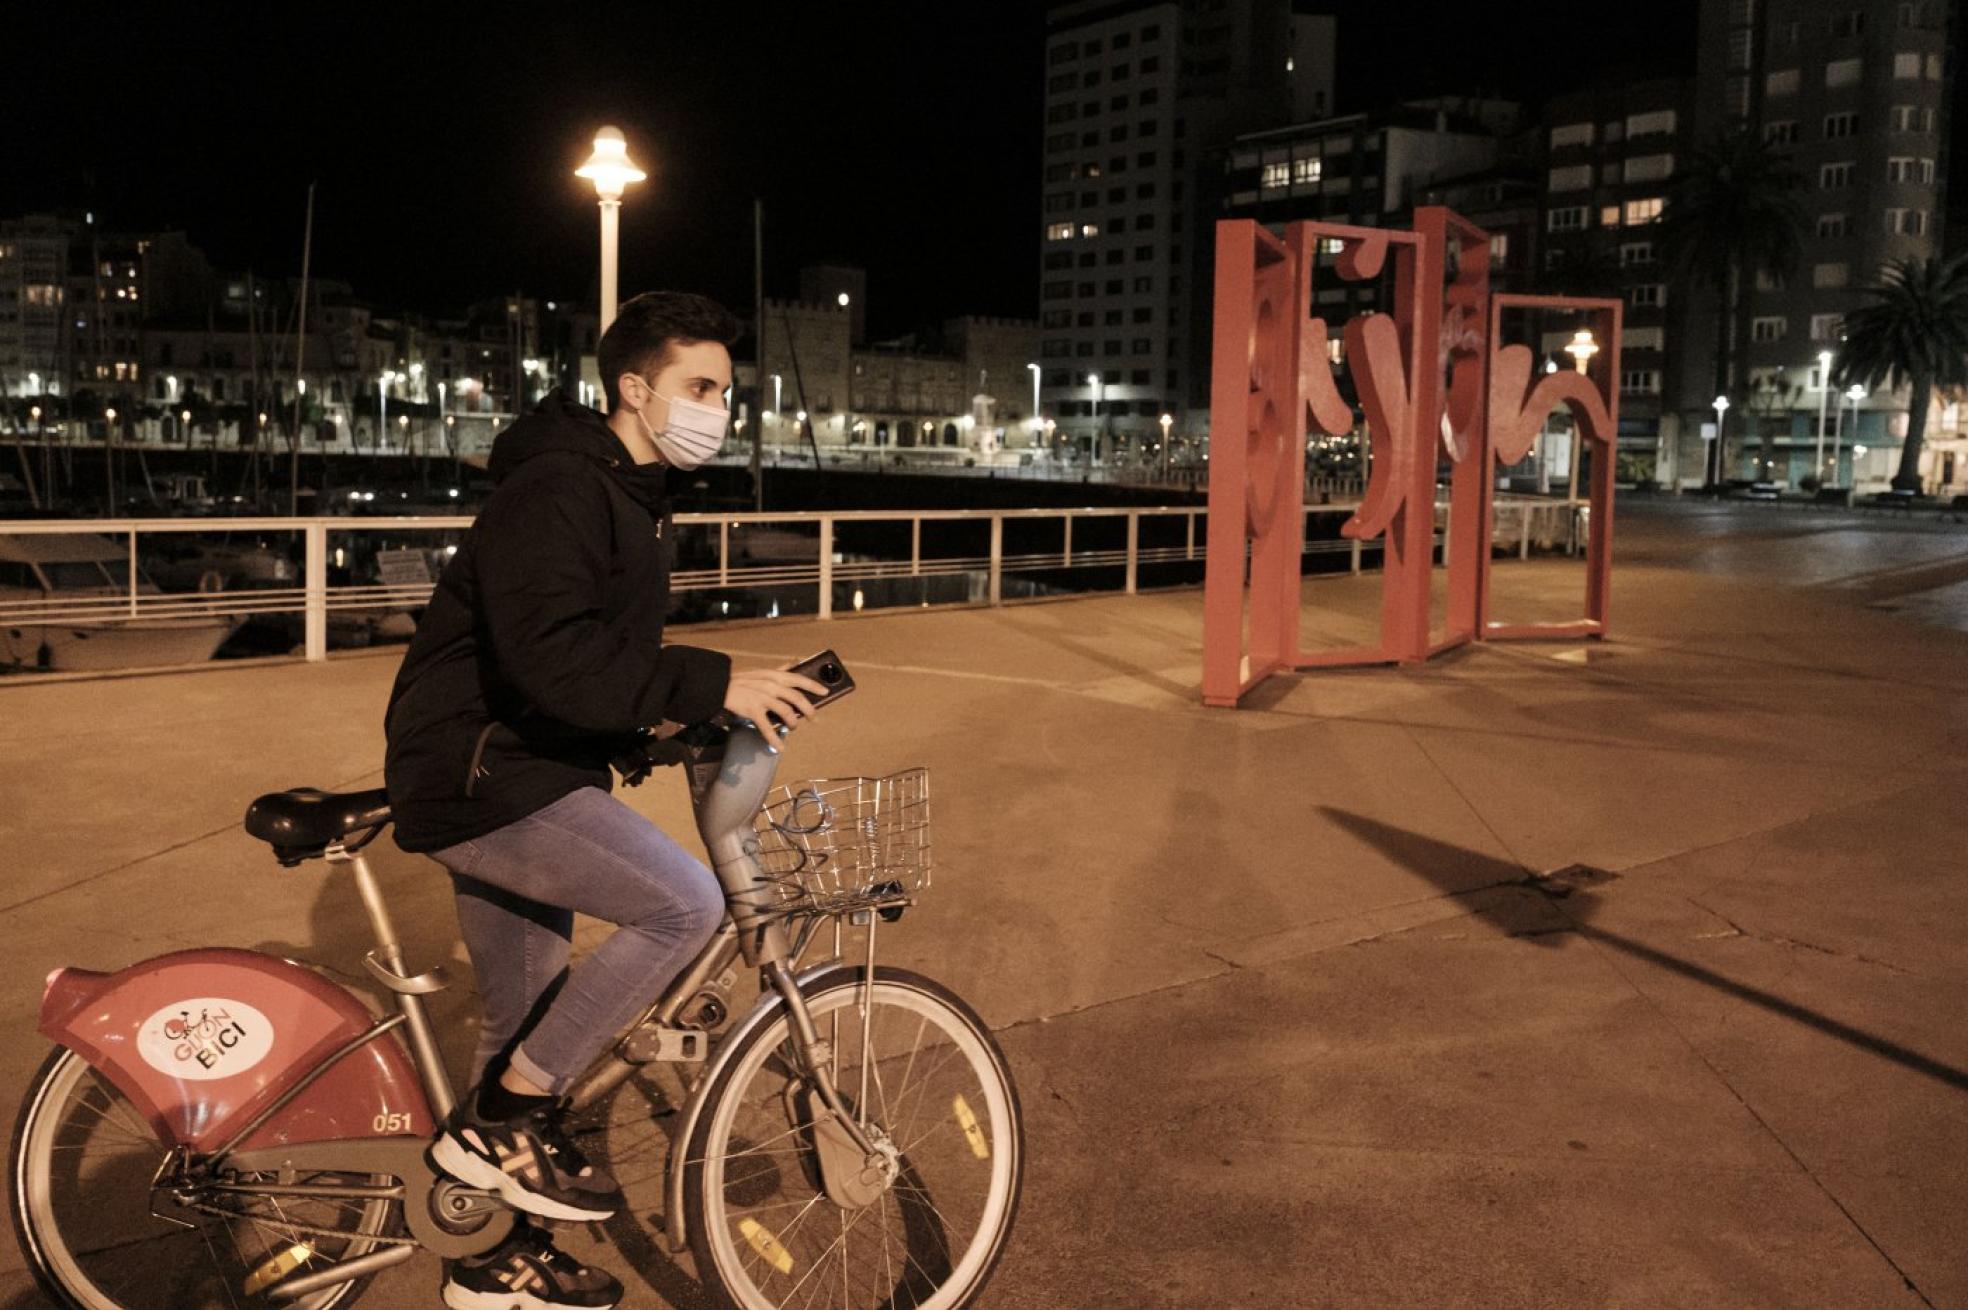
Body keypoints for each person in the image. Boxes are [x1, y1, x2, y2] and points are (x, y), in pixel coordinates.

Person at [383, 290, 825, 1310]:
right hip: (483, 773)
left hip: (521, 761)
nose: (719, 408)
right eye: (700, 387)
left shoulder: (626, 493)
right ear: (634, 387)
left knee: (523, 1018)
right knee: (683, 903)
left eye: (726, 391)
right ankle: (501, 1122)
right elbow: (551, 657)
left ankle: (493, 1257)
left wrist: (663, 725)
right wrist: (712, 680)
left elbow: (592, 667)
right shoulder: (560, 487)